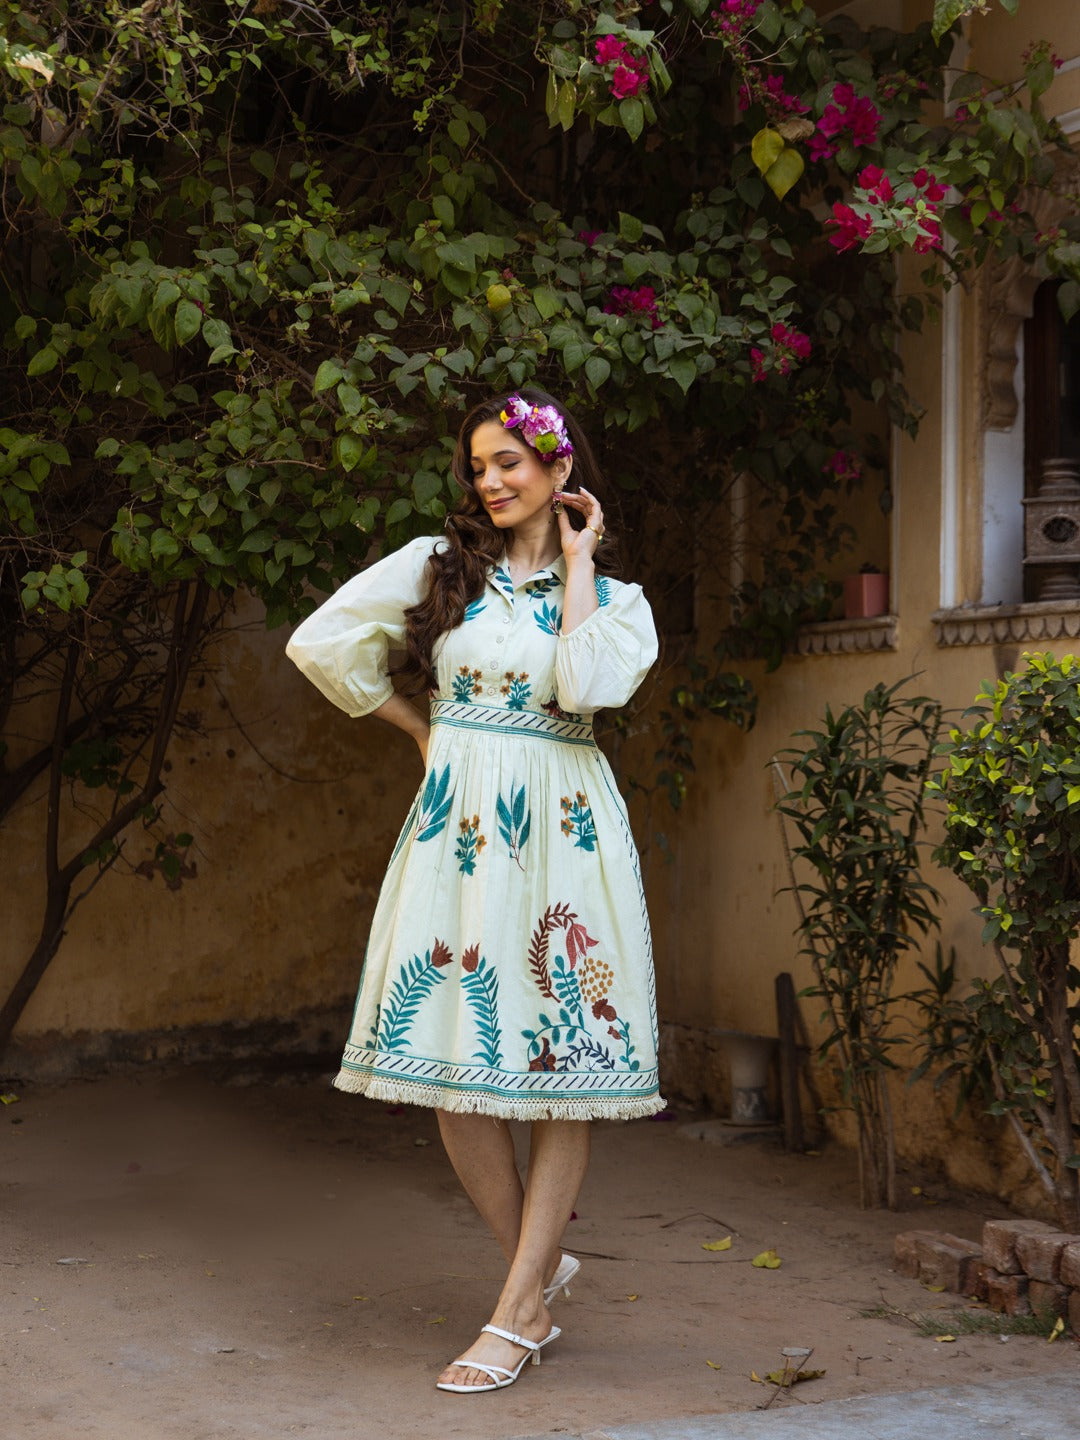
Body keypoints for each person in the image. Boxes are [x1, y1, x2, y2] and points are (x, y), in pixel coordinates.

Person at [285, 388, 663, 1394]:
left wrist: (581, 565)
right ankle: (532, 1279)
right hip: (457, 830)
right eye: (479, 467)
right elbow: (320, 643)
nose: (490, 481)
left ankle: (514, 1311)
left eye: (510, 462)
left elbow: (585, 690)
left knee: (561, 1065)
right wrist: (417, 729)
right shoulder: (435, 567)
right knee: (452, 1064)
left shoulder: (616, 603)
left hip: (566, 836)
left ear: (559, 472)